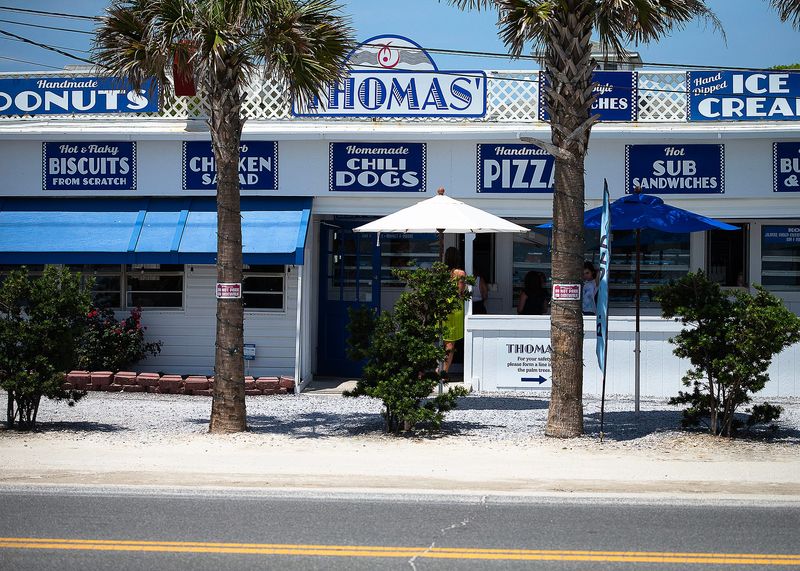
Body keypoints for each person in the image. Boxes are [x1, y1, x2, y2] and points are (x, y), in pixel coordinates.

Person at [442, 267, 466, 377]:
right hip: (448, 321)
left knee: (451, 347)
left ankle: (442, 372)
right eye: (461, 280)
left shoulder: (462, 293)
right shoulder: (446, 291)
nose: (463, 283)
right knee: (449, 347)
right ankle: (442, 373)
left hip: (456, 321)